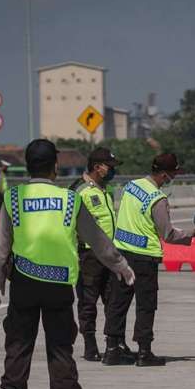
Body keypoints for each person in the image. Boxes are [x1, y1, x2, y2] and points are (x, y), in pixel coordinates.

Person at [0, 139, 135, 389]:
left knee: (18, 345)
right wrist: (121, 266)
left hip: (24, 283)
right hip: (57, 285)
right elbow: (97, 240)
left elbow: (1, 246)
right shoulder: (70, 199)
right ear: (55, 166)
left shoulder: (13, 197)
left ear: (28, 165)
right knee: (60, 347)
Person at [103, 153, 195, 367]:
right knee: (145, 305)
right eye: (172, 174)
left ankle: (112, 349)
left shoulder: (131, 186)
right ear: (163, 174)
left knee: (118, 302)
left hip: (121, 252)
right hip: (144, 258)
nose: (173, 178)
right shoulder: (157, 199)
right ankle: (144, 352)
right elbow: (168, 234)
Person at [69, 147, 122, 362]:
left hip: (109, 256)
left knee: (113, 301)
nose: (112, 171)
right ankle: (90, 346)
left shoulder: (103, 190)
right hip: (88, 256)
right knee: (88, 303)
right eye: (110, 167)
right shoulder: (79, 191)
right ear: (98, 167)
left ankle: (113, 344)